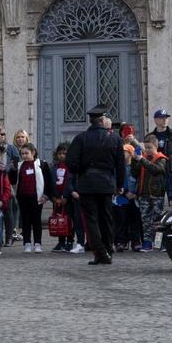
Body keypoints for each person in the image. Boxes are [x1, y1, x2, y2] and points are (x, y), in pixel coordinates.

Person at [67, 105, 124, 265]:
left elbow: (71, 162)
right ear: (102, 119)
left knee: (91, 219)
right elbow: (120, 165)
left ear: (91, 120)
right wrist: (119, 184)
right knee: (106, 218)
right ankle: (106, 250)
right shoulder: (115, 138)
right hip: (106, 182)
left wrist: (82, 171)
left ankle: (100, 252)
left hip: (87, 182)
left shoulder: (81, 138)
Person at [132, 135, 171, 252]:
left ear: (156, 146)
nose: (147, 150)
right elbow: (134, 173)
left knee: (157, 220)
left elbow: (156, 170)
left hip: (156, 194)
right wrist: (135, 160)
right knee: (145, 220)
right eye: (146, 147)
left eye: (150, 148)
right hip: (143, 194)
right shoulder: (142, 158)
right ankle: (147, 243)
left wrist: (141, 160)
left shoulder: (161, 159)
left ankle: (159, 243)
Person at [13, 144, 52, 252]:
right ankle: (27, 243)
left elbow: (48, 181)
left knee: (36, 220)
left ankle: (38, 243)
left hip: (36, 197)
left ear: (33, 153)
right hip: (23, 197)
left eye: (26, 153)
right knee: (25, 221)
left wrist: (46, 195)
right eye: (22, 154)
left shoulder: (41, 164)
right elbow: (14, 180)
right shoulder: (20, 165)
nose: (24, 156)